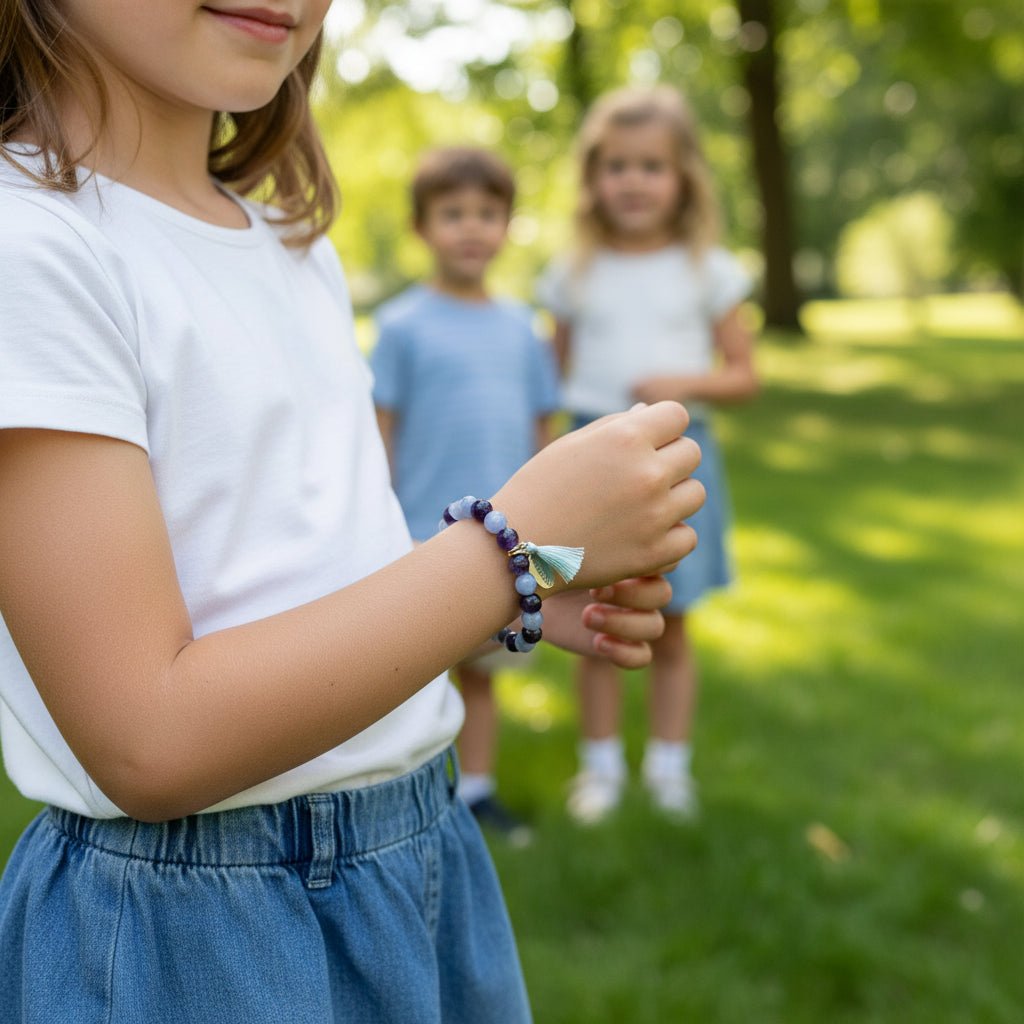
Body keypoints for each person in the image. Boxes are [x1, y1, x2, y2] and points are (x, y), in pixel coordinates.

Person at [0, 5, 706, 1021]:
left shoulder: (291, 244)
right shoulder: (29, 246)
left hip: (420, 859)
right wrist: (500, 553)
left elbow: (309, 567)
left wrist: (520, 591)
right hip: (194, 926)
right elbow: (147, 739)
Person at [538, 85, 758, 825]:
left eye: (652, 166)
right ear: (593, 178)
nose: (633, 181)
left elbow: (745, 376)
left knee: (673, 621)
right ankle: (599, 768)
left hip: (679, 461)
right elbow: (548, 379)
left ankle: (669, 770)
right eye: (617, 166)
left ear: (683, 177)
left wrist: (684, 383)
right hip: (588, 462)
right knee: (594, 617)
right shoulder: (573, 271)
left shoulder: (709, 270)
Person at [371, 147, 560, 847]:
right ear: (421, 227)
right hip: (419, 530)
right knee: (408, 673)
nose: (471, 228)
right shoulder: (401, 326)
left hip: (501, 536)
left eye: (487, 213)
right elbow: (379, 432)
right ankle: (406, 801)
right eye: (453, 214)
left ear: (507, 225)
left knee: (480, 670)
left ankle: (475, 793)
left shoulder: (522, 327)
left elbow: (543, 433)